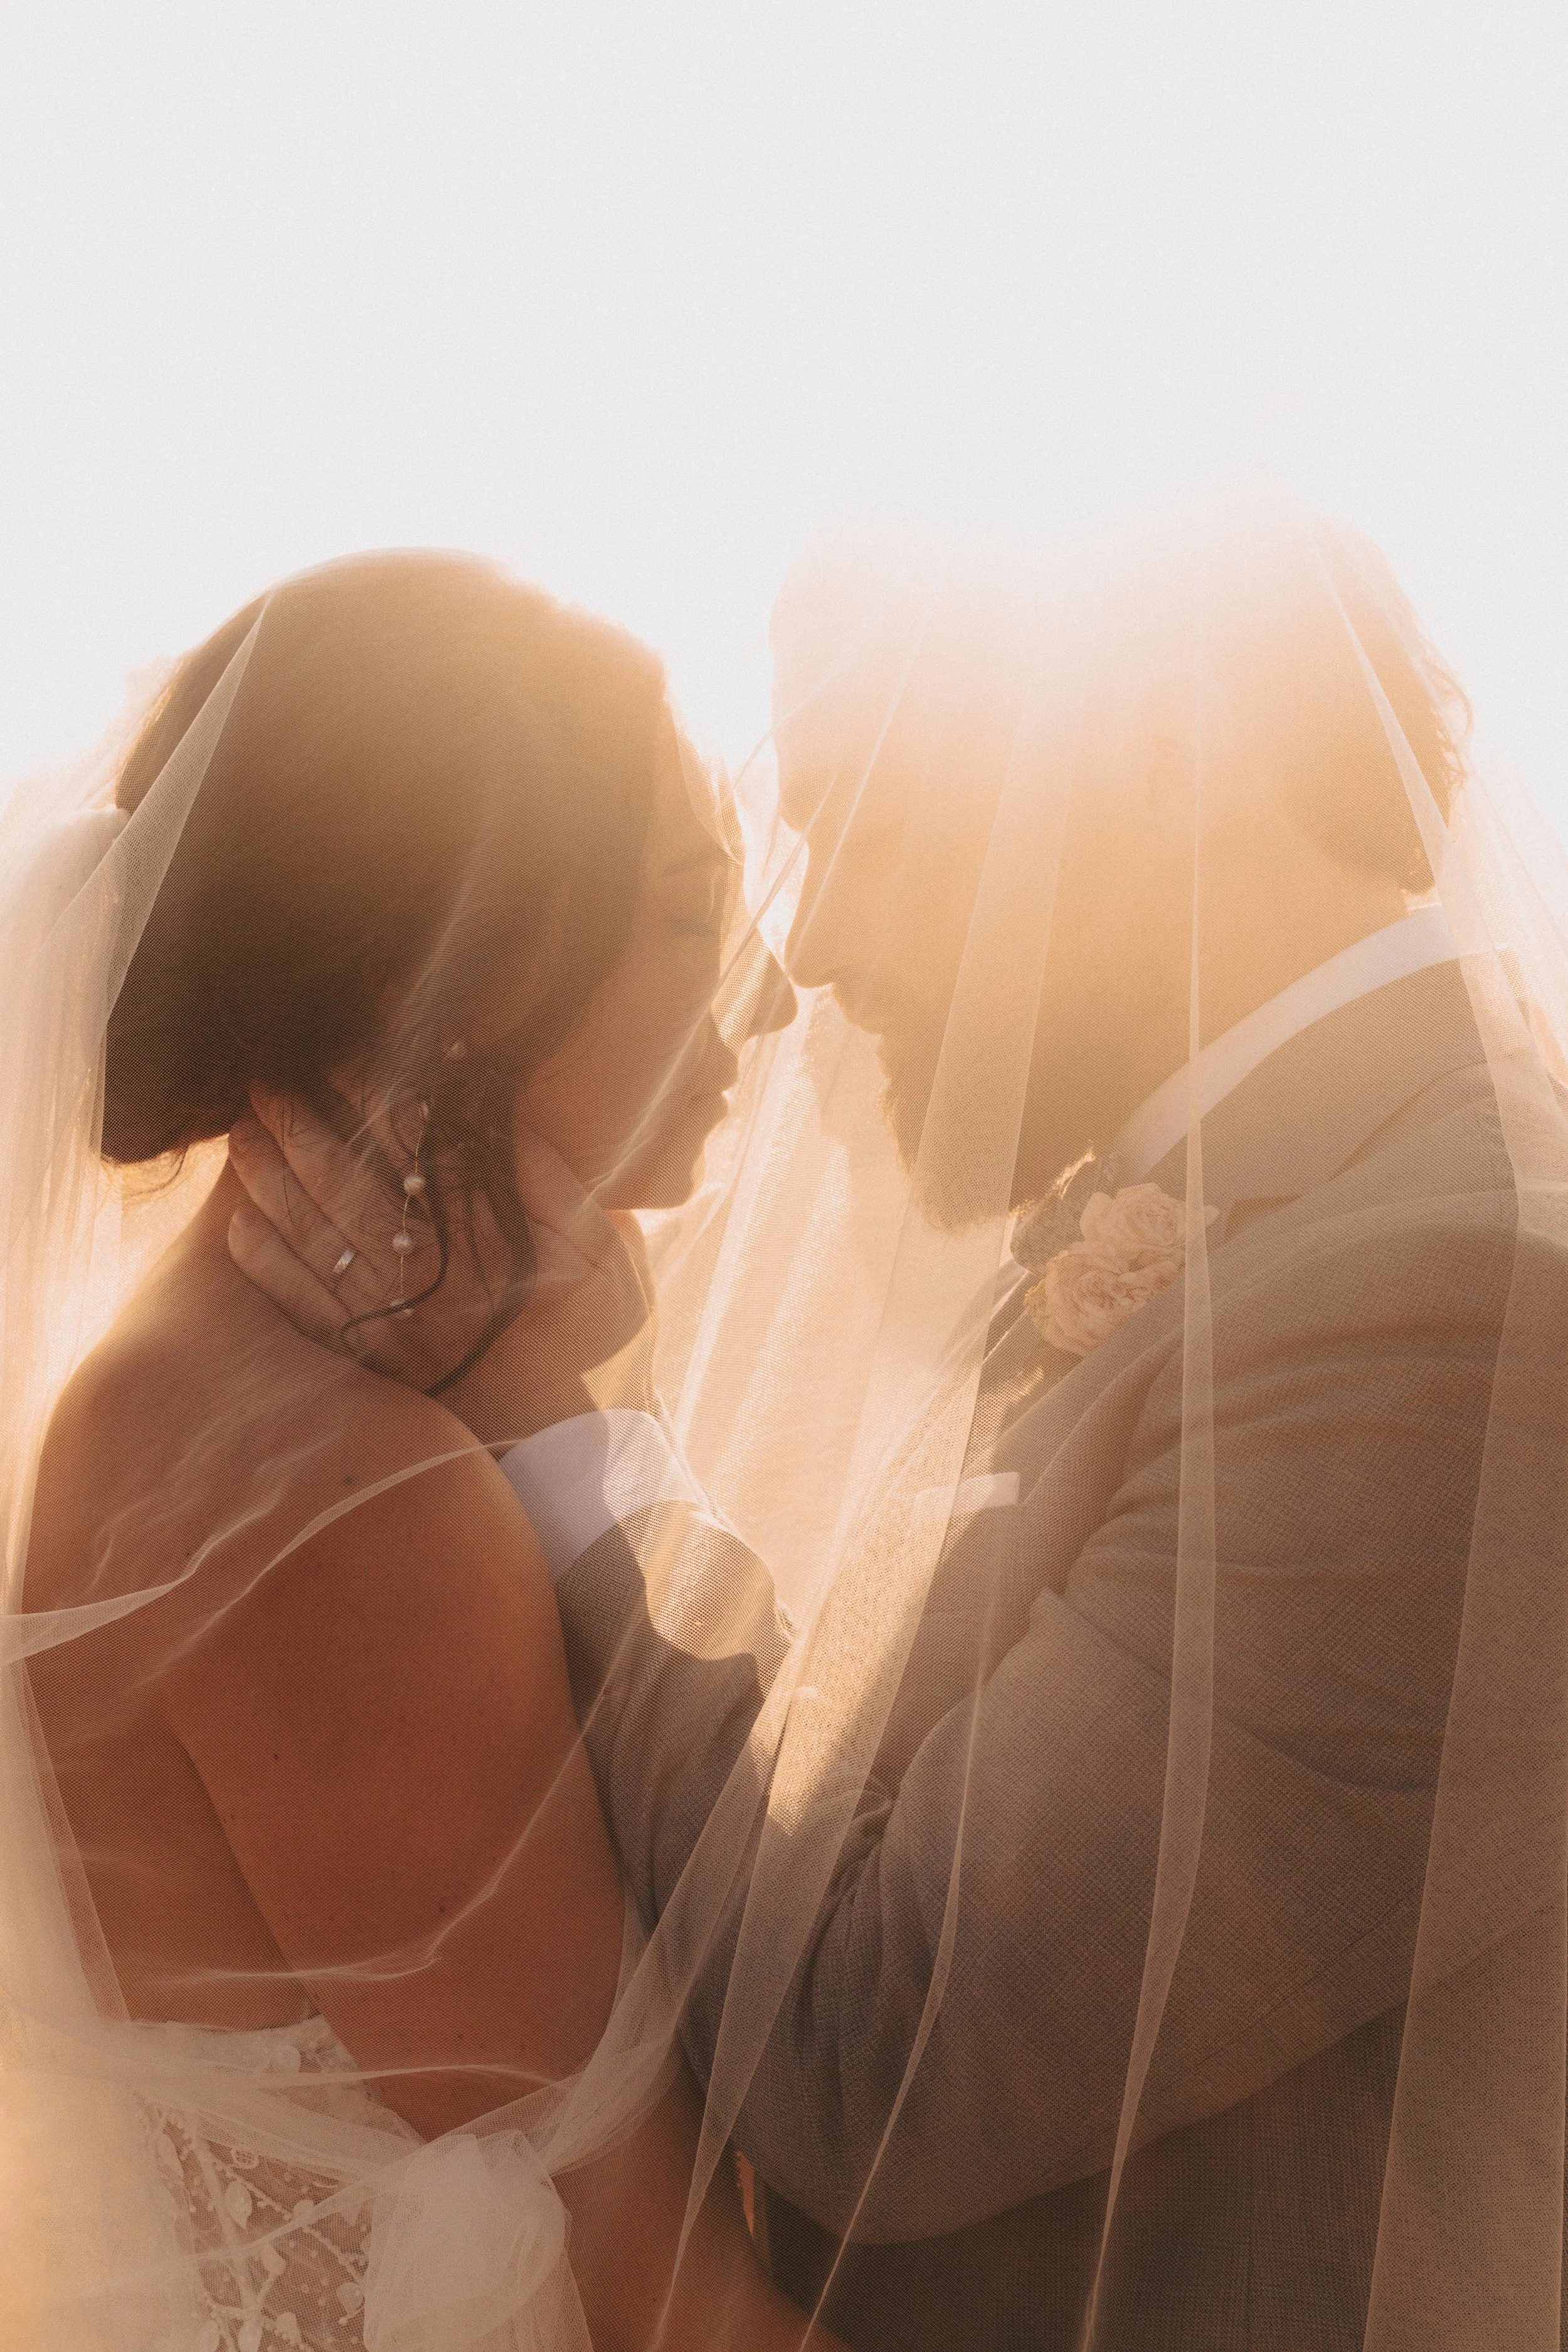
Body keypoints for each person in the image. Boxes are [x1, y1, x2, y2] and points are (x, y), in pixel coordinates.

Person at [230, 511, 1568, 2349]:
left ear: (1160, 754)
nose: (813, 945)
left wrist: (549, 1414)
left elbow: (879, 2038)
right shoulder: (1278, 1207)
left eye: (865, 815)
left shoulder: (1444, 1299)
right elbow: (917, 1819)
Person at [8, 549, 827, 2352]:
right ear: (481, 949)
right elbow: (660, 2287)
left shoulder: (196, 1392)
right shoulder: (332, 1494)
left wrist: (530, 1354)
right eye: (691, 911)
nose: (758, 994)